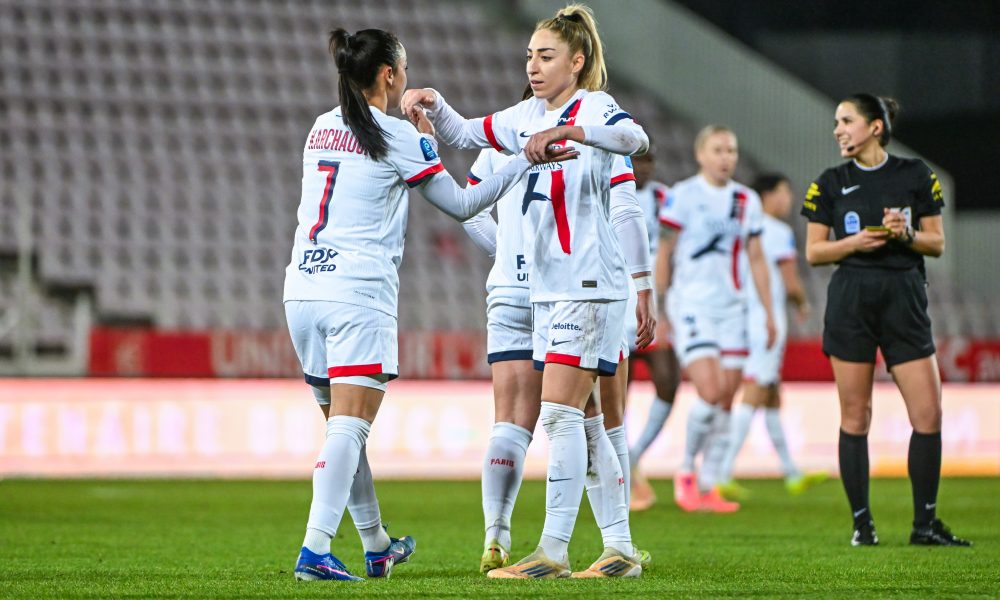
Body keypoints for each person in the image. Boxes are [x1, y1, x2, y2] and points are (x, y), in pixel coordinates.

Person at [283, 27, 574, 582]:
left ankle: (375, 545)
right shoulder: (396, 136)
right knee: (350, 426)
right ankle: (315, 549)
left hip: (303, 287)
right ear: (389, 75)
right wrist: (524, 160)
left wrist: (422, 142)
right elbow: (465, 205)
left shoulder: (322, 127)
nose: (408, 77)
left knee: (342, 426)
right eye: (406, 69)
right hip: (357, 294)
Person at [403, 3, 654, 579]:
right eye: (529, 56)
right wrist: (435, 105)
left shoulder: (592, 107)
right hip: (550, 288)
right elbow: (467, 133)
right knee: (586, 420)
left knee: (560, 415)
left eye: (546, 56)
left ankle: (553, 552)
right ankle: (618, 547)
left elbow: (635, 138)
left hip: (587, 284)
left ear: (577, 60)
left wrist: (570, 130)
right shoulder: (523, 115)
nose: (534, 66)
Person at [801, 93, 969, 547]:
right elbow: (815, 251)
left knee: (928, 414)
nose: (838, 129)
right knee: (856, 416)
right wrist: (854, 243)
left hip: (904, 299)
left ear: (876, 127)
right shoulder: (830, 182)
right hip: (852, 301)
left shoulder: (915, 175)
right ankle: (862, 524)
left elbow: (937, 244)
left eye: (846, 120)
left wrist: (906, 234)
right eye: (836, 121)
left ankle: (925, 525)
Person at [656, 125, 776, 513]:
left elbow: (756, 258)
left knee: (725, 398)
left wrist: (769, 312)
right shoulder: (683, 196)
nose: (727, 157)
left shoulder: (747, 200)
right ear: (700, 154)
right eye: (719, 149)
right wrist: (658, 305)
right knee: (709, 391)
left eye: (732, 150)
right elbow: (664, 251)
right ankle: (687, 472)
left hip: (733, 309)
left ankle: (709, 484)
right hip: (692, 304)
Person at [715, 173, 827, 500]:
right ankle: (721, 470)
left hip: (741, 315)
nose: (788, 200)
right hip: (767, 318)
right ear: (769, 195)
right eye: (784, 193)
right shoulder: (778, 231)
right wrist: (803, 303)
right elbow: (790, 282)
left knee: (772, 394)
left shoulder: (738, 227)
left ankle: (791, 471)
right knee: (756, 389)